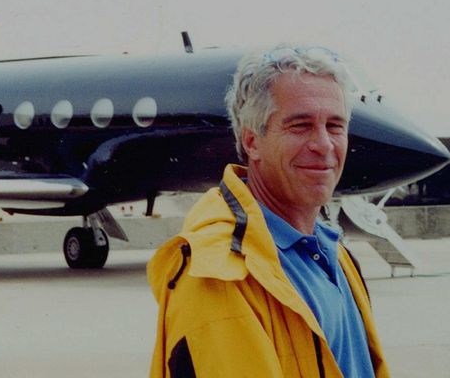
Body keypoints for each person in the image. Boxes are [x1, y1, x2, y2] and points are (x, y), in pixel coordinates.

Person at [148, 45, 390, 377]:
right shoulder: (217, 271)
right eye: (300, 126)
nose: (324, 145)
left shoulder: (338, 256)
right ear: (251, 141)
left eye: (335, 126)